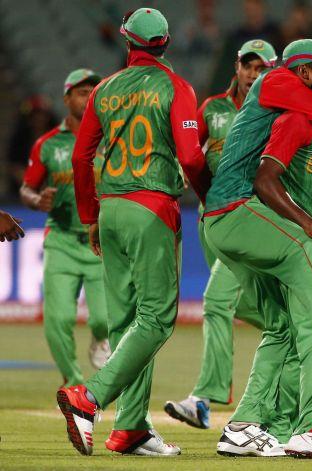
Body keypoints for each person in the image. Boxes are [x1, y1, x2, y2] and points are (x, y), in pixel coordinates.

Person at [203, 41, 312, 458]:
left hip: (270, 232)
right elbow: (268, 179)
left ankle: (245, 424)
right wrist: (307, 223)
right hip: (279, 232)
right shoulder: (293, 116)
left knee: (284, 331)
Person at [58, 8, 211, 457]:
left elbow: (81, 157)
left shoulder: (103, 90)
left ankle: (131, 430)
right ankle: (88, 398)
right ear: (165, 44)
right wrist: (208, 194)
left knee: (129, 323)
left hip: (110, 210)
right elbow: (191, 155)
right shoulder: (176, 87)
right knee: (157, 319)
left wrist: (89, 217)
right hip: (151, 209)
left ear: (127, 43)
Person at [164, 38, 277, 429]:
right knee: (251, 307)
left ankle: (203, 398)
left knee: (215, 301)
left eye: (262, 68)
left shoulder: (275, 112)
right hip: (213, 219)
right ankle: (304, 339)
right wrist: (201, 196)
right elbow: (190, 157)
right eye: (249, 66)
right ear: (237, 66)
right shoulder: (212, 109)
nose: (253, 74)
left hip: (249, 219)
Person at [20, 69, 110, 388]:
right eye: (82, 92)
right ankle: (73, 385)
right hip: (61, 239)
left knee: (103, 320)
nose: (89, 97)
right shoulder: (48, 144)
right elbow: (26, 188)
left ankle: (100, 339)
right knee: (58, 320)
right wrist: (36, 199)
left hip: (100, 242)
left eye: (93, 91)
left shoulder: (110, 137)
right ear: (67, 98)